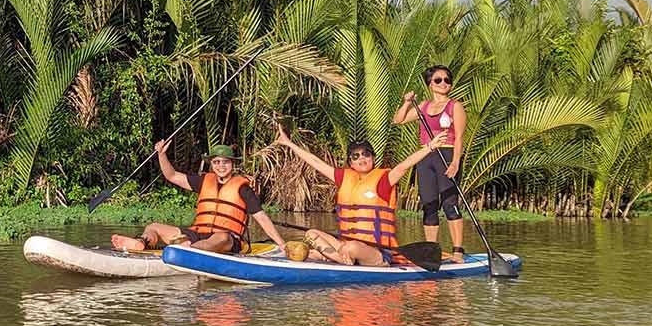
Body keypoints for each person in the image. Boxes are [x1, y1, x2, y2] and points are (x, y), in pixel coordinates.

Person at [273, 124, 452, 266]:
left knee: (351, 247)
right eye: (355, 156)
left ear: (373, 157)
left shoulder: (384, 180)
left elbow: (404, 166)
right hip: (345, 247)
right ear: (350, 162)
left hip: (377, 253)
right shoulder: (344, 177)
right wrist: (289, 144)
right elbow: (315, 162)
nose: (361, 158)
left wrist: (430, 147)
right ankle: (338, 258)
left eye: (366, 154)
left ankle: (330, 257)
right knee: (311, 234)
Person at [109, 142, 288, 254]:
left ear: (232, 164)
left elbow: (261, 217)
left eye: (225, 162)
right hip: (196, 234)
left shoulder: (243, 188)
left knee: (222, 238)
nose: (221, 166)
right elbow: (172, 176)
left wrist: (281, 244)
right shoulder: (204, 181)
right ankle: (142, 242)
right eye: (217, 162)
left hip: (226, 239)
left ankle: (189, 252)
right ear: (212, 164)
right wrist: (161, 155)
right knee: (154, 227)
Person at [393, 65, 467, 261]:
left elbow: (459, 137)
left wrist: (456, 163)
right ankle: (431, 250)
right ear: (430, 84)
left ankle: (458, 250)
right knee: (429, 204)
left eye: (447, 80)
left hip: (448, 155)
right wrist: (407, 102)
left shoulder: (455, 106)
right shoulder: (423, 106)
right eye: (438, 80)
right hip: (426, 157)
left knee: (450, 204)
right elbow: (398, 120)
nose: (443, 83)